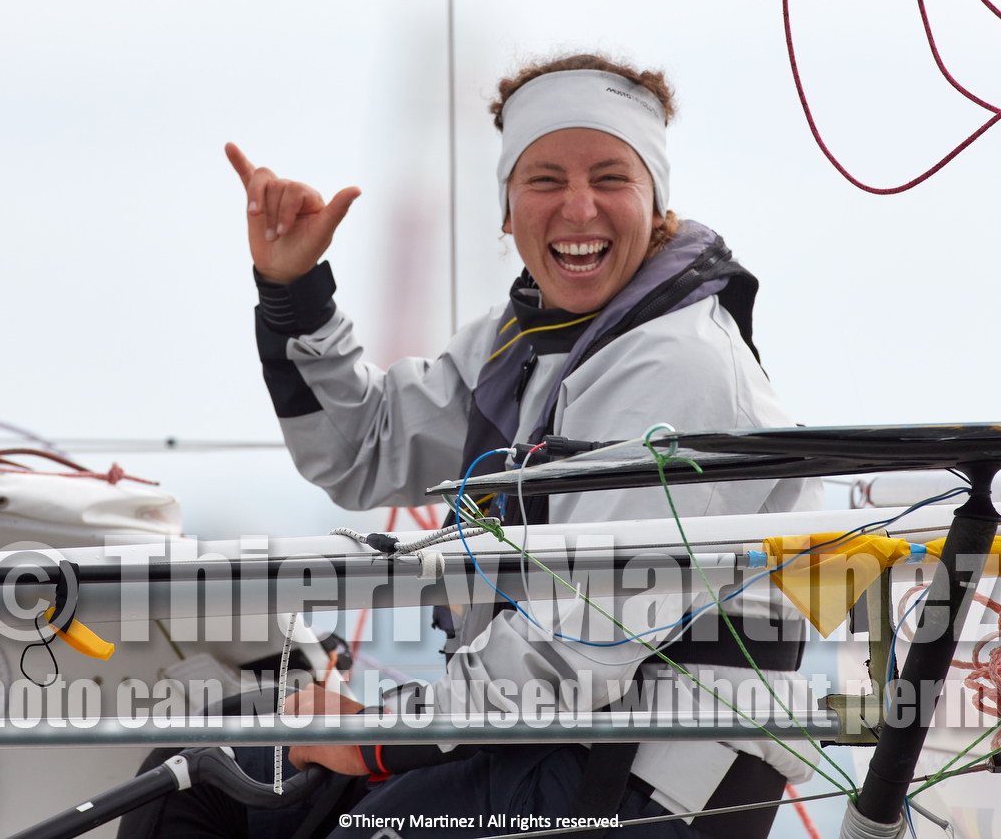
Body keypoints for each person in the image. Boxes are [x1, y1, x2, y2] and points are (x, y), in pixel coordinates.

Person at [137, 54, 823, 839]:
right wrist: (295, 292)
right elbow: (367, 449)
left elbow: (581, 647)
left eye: (609, 178)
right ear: (506, 211)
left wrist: (377, 735)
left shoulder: (682, 366)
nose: (578, 207)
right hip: (535, 736)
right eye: (543, 181)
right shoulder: (527, 345)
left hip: (638, 777)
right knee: (195, 773)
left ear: (657, 203)